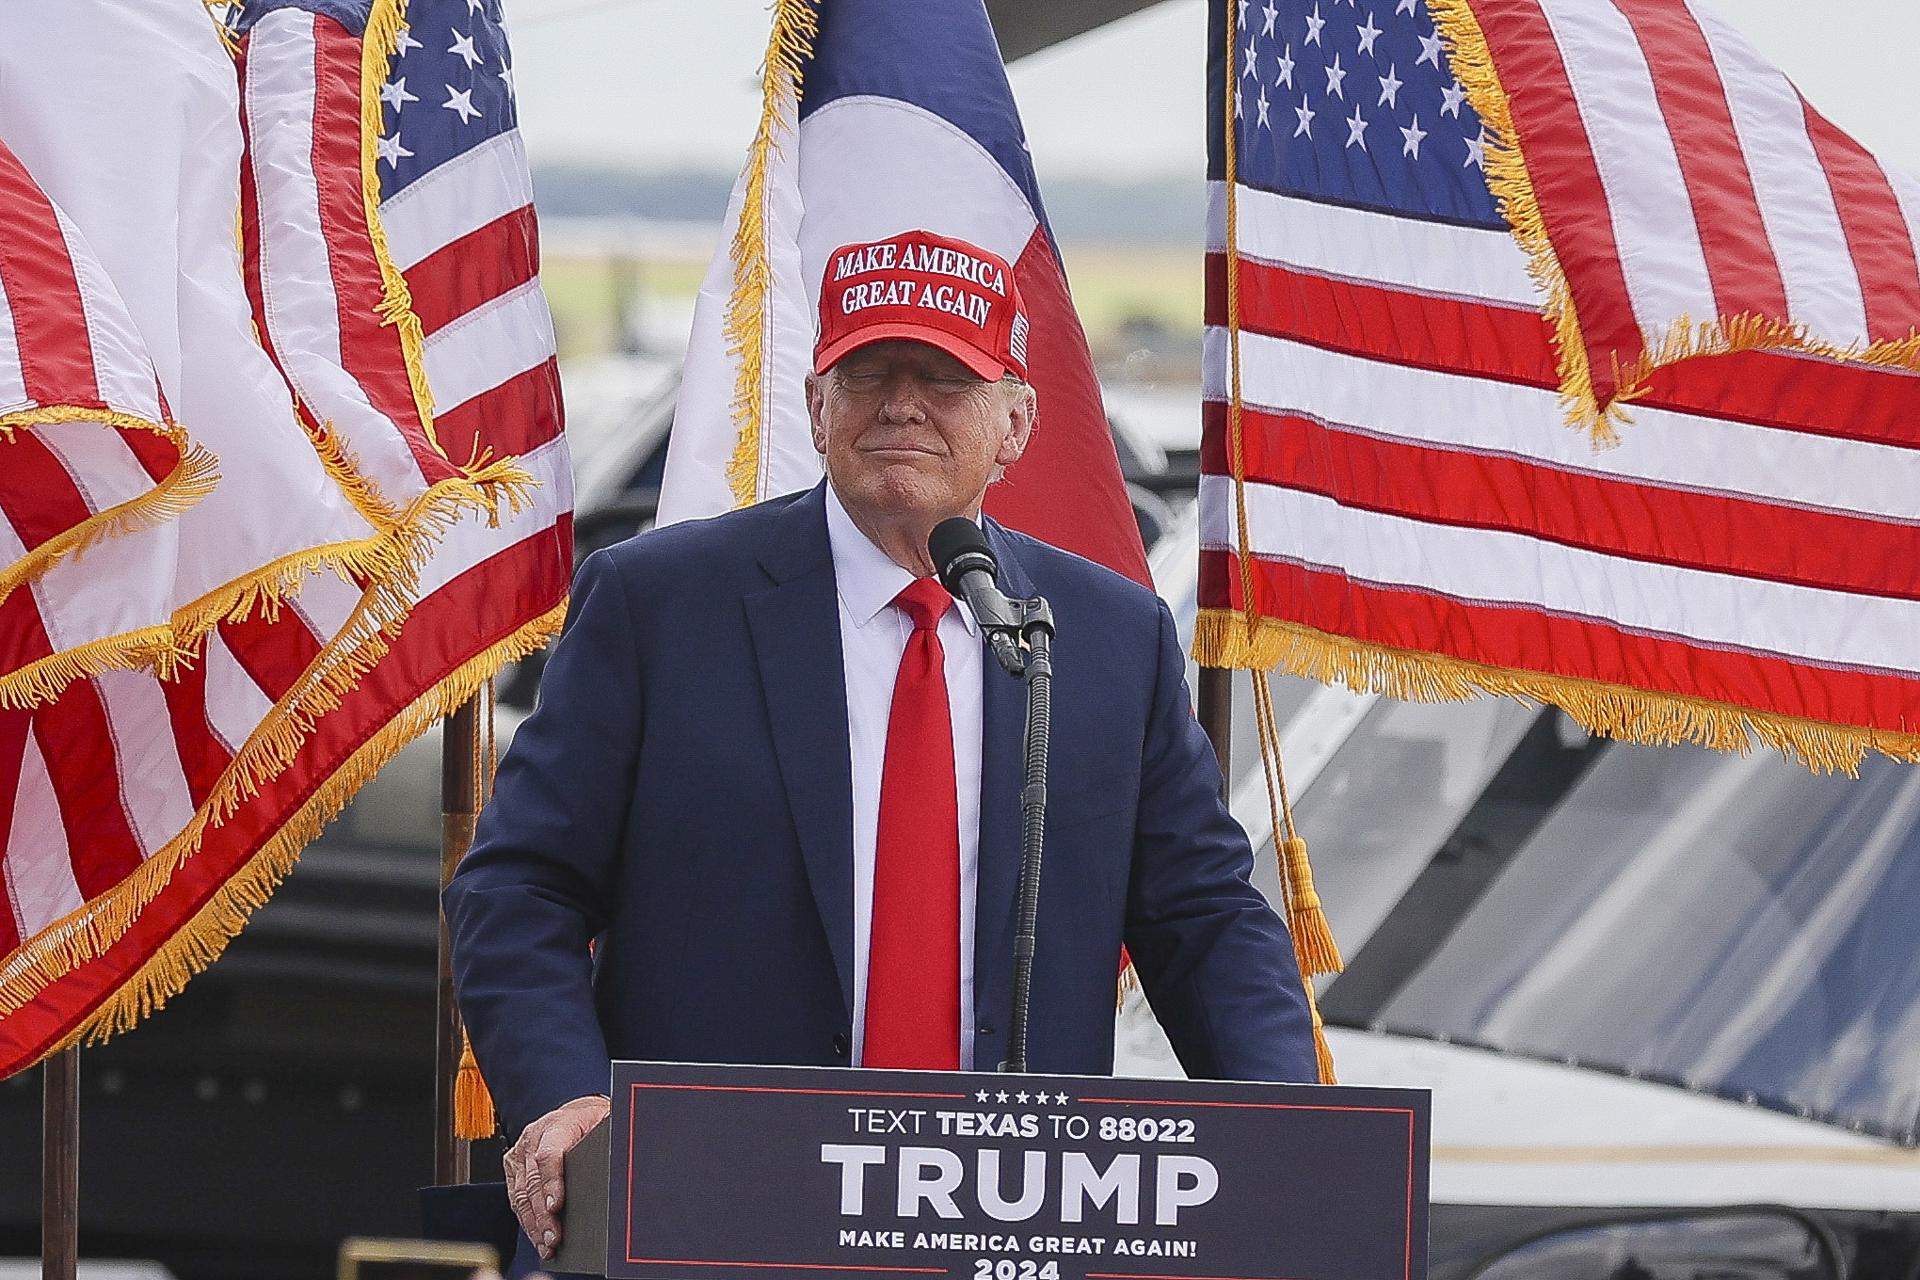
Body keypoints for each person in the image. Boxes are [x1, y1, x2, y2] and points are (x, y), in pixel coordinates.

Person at [444, 229, 1317, 1276]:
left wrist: (1290, 1135)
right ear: (817, 409)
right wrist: (568, 1096)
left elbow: (1205, 918)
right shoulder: (659, 605)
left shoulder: (1107, 639)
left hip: (999, 1223)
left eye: (943, 378)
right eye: (868, 374)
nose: (900, 404)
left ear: (1015, 425)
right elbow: (520, 886)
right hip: (710, 1210)